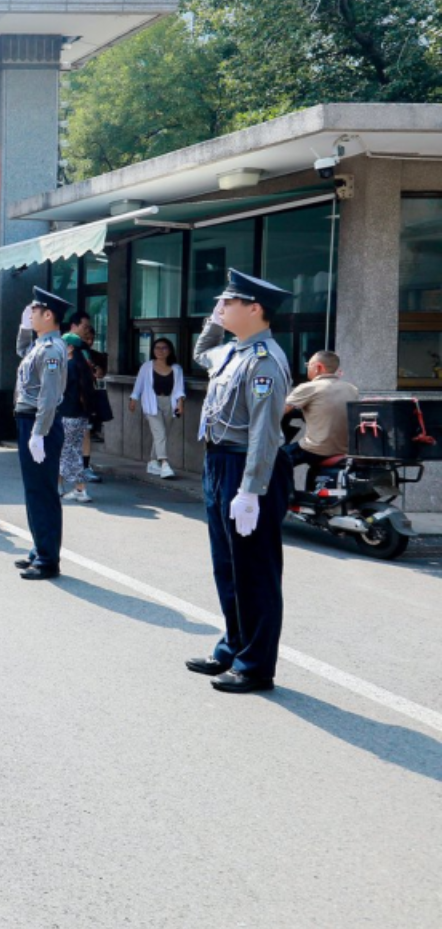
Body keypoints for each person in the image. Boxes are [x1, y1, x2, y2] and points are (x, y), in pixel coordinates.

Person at [189, 269, 293, 694]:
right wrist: (214, 323)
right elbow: (201, 354)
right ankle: (233, 646)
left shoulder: (264, 360)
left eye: (228, 302)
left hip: (248, 467)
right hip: (219, 462)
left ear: (255, 309)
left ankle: (255, 665)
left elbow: (265, 433)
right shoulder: (233, 350)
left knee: (254, 570)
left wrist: (251, 490)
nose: (221, 307)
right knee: (227, 565)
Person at [13, 288, 71, 579]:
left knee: (43, 492)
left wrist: (39, 432)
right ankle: (40, 548)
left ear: (48, 315)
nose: (30, 314)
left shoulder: (51, 350)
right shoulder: (40, 345)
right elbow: (22, 352)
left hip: (41, 422)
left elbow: (48, 396)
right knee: (34, 490)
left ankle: (48, 560)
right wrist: (25, 328)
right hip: (31, 420)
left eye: (34, 311)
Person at [283, 350, 359, 491]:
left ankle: (286, 496)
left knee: (278, 458)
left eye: (308, 365)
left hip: (316, 449)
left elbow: (279, 411)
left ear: (318, 367)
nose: (307, 368)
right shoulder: (351, 389)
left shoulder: (309, 387)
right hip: (343, 449)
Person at [129, 337, 185, 479]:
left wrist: (180, 403)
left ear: (170, 350)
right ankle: (164, 463)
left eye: (164, 348)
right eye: (157, 348)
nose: (160, 351)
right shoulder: (147, 366)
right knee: (159, 432)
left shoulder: (176, 368)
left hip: (169, 403)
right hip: (151, 402)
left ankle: (153, 462)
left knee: (162, 434)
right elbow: (139, 384)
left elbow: (179, 388)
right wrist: (133, 399)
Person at [58, 332, 96, 504]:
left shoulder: (68, 366)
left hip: (67, 413)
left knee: (68, 452)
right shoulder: (83, 366)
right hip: (80, 414)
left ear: (70, 348)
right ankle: (64, 486)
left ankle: (80, 489)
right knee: (72, 451)